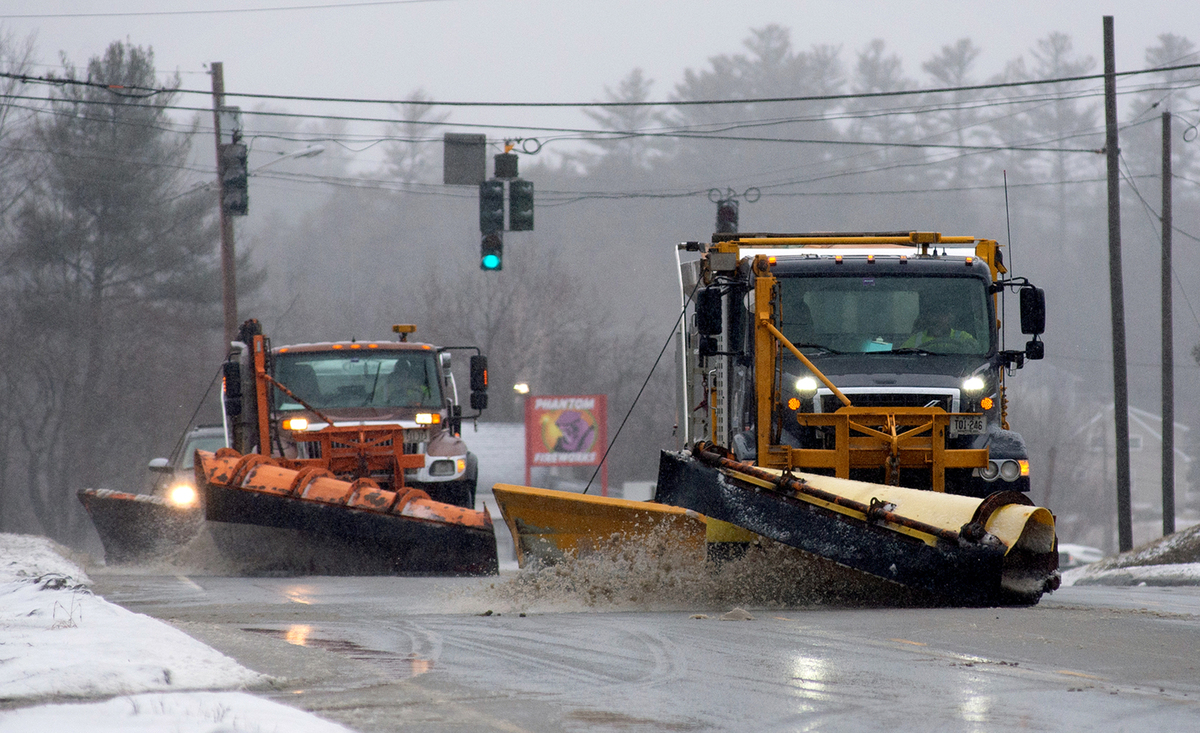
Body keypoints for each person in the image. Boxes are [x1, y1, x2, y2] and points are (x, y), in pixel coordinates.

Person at [901, 306, 979, 353]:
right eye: (934, 315)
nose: (938, 319)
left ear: (949, 317)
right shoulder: (916, 339)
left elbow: (977, 351)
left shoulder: (963, 337)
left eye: (942, 315)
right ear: (929, 317)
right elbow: (902, 354)